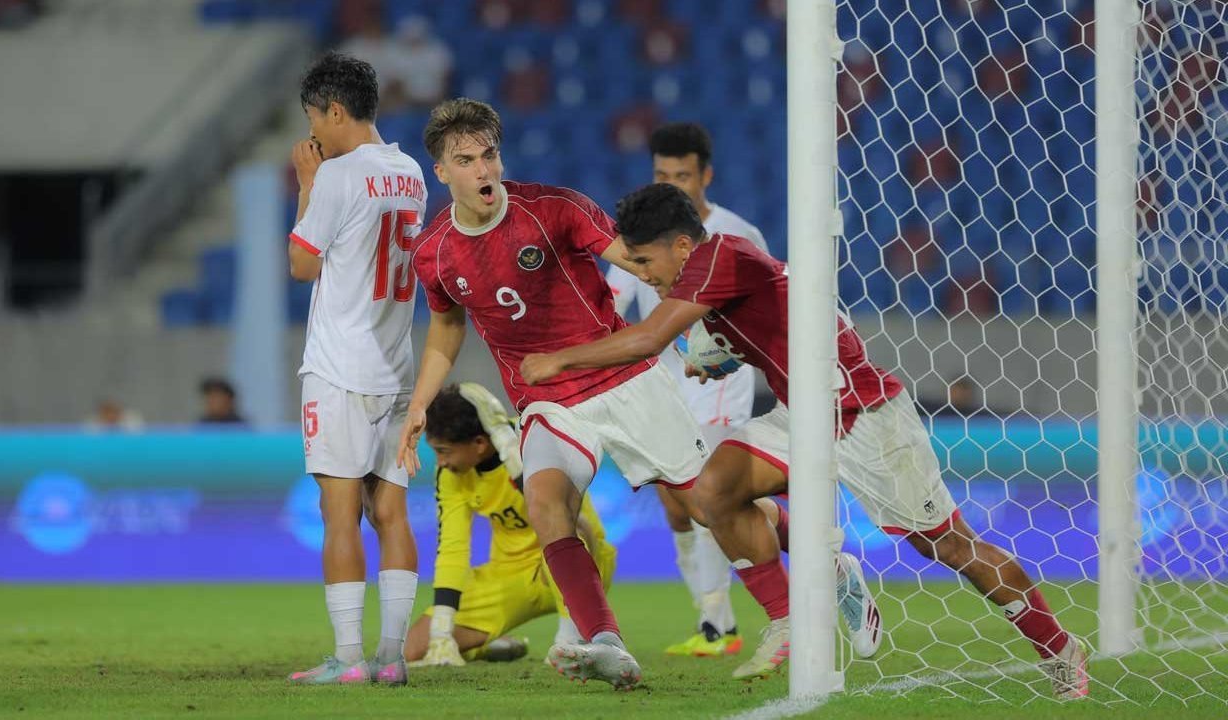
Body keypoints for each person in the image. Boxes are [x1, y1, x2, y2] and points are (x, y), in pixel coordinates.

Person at [520, 183, 1090, 698]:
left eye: (645, 260)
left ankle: (1058, 647)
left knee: (948, 549)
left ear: (682, 247)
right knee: (715, 489)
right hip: (801, 418)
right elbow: (753, 330)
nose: (641, 273)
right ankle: (792, 615)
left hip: (864, 418)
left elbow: (647, 339)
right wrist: (714, 356)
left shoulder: (721, 256)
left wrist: (558, 359)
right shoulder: (714, 286)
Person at [397, 97, 719, 690]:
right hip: (547, 398)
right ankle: (605, 641)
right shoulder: (433, 252)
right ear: (441, 172)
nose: (484, 170)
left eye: (489, 154)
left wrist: (695, 322)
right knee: (548, 502)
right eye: (466, 160)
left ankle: (824, 555)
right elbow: (446, 327)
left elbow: (635, 259)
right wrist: (420, 402)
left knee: (711, 509)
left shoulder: (553, 208)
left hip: (623, 377)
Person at [285, 52, 428, 686]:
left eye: (315, 117)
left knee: (340, 514)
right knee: (391, 512)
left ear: (334, 111)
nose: (313, 130)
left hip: (341, 368)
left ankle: (347, 661)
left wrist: (307, 184)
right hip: (397, 368)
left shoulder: (340, 177)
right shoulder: (412, 173)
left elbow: (302, 264)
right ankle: (393, 658)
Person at [605, 122, 768, 658]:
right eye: (662, 174)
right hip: (665, 388)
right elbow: (613, 306)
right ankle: (712, 618)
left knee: (709, 497)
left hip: (720, 385)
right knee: (678, 509)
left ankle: (719, 627)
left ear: (706, 175)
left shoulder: (737, 235)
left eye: (682, 174)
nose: (673, 183)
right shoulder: (646, 237)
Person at [405, 383, 617, 667]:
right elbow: (453, 547)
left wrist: (513, 459)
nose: (441, 462)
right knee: (413, 648)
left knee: (561, 531)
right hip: (510, 575)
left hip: (578, 559)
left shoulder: (533, 439)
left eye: (444, 451)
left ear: (479, 443)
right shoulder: (451, 474)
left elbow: (566, 519)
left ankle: (571, 637)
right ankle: (485, 648)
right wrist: (442, 630)